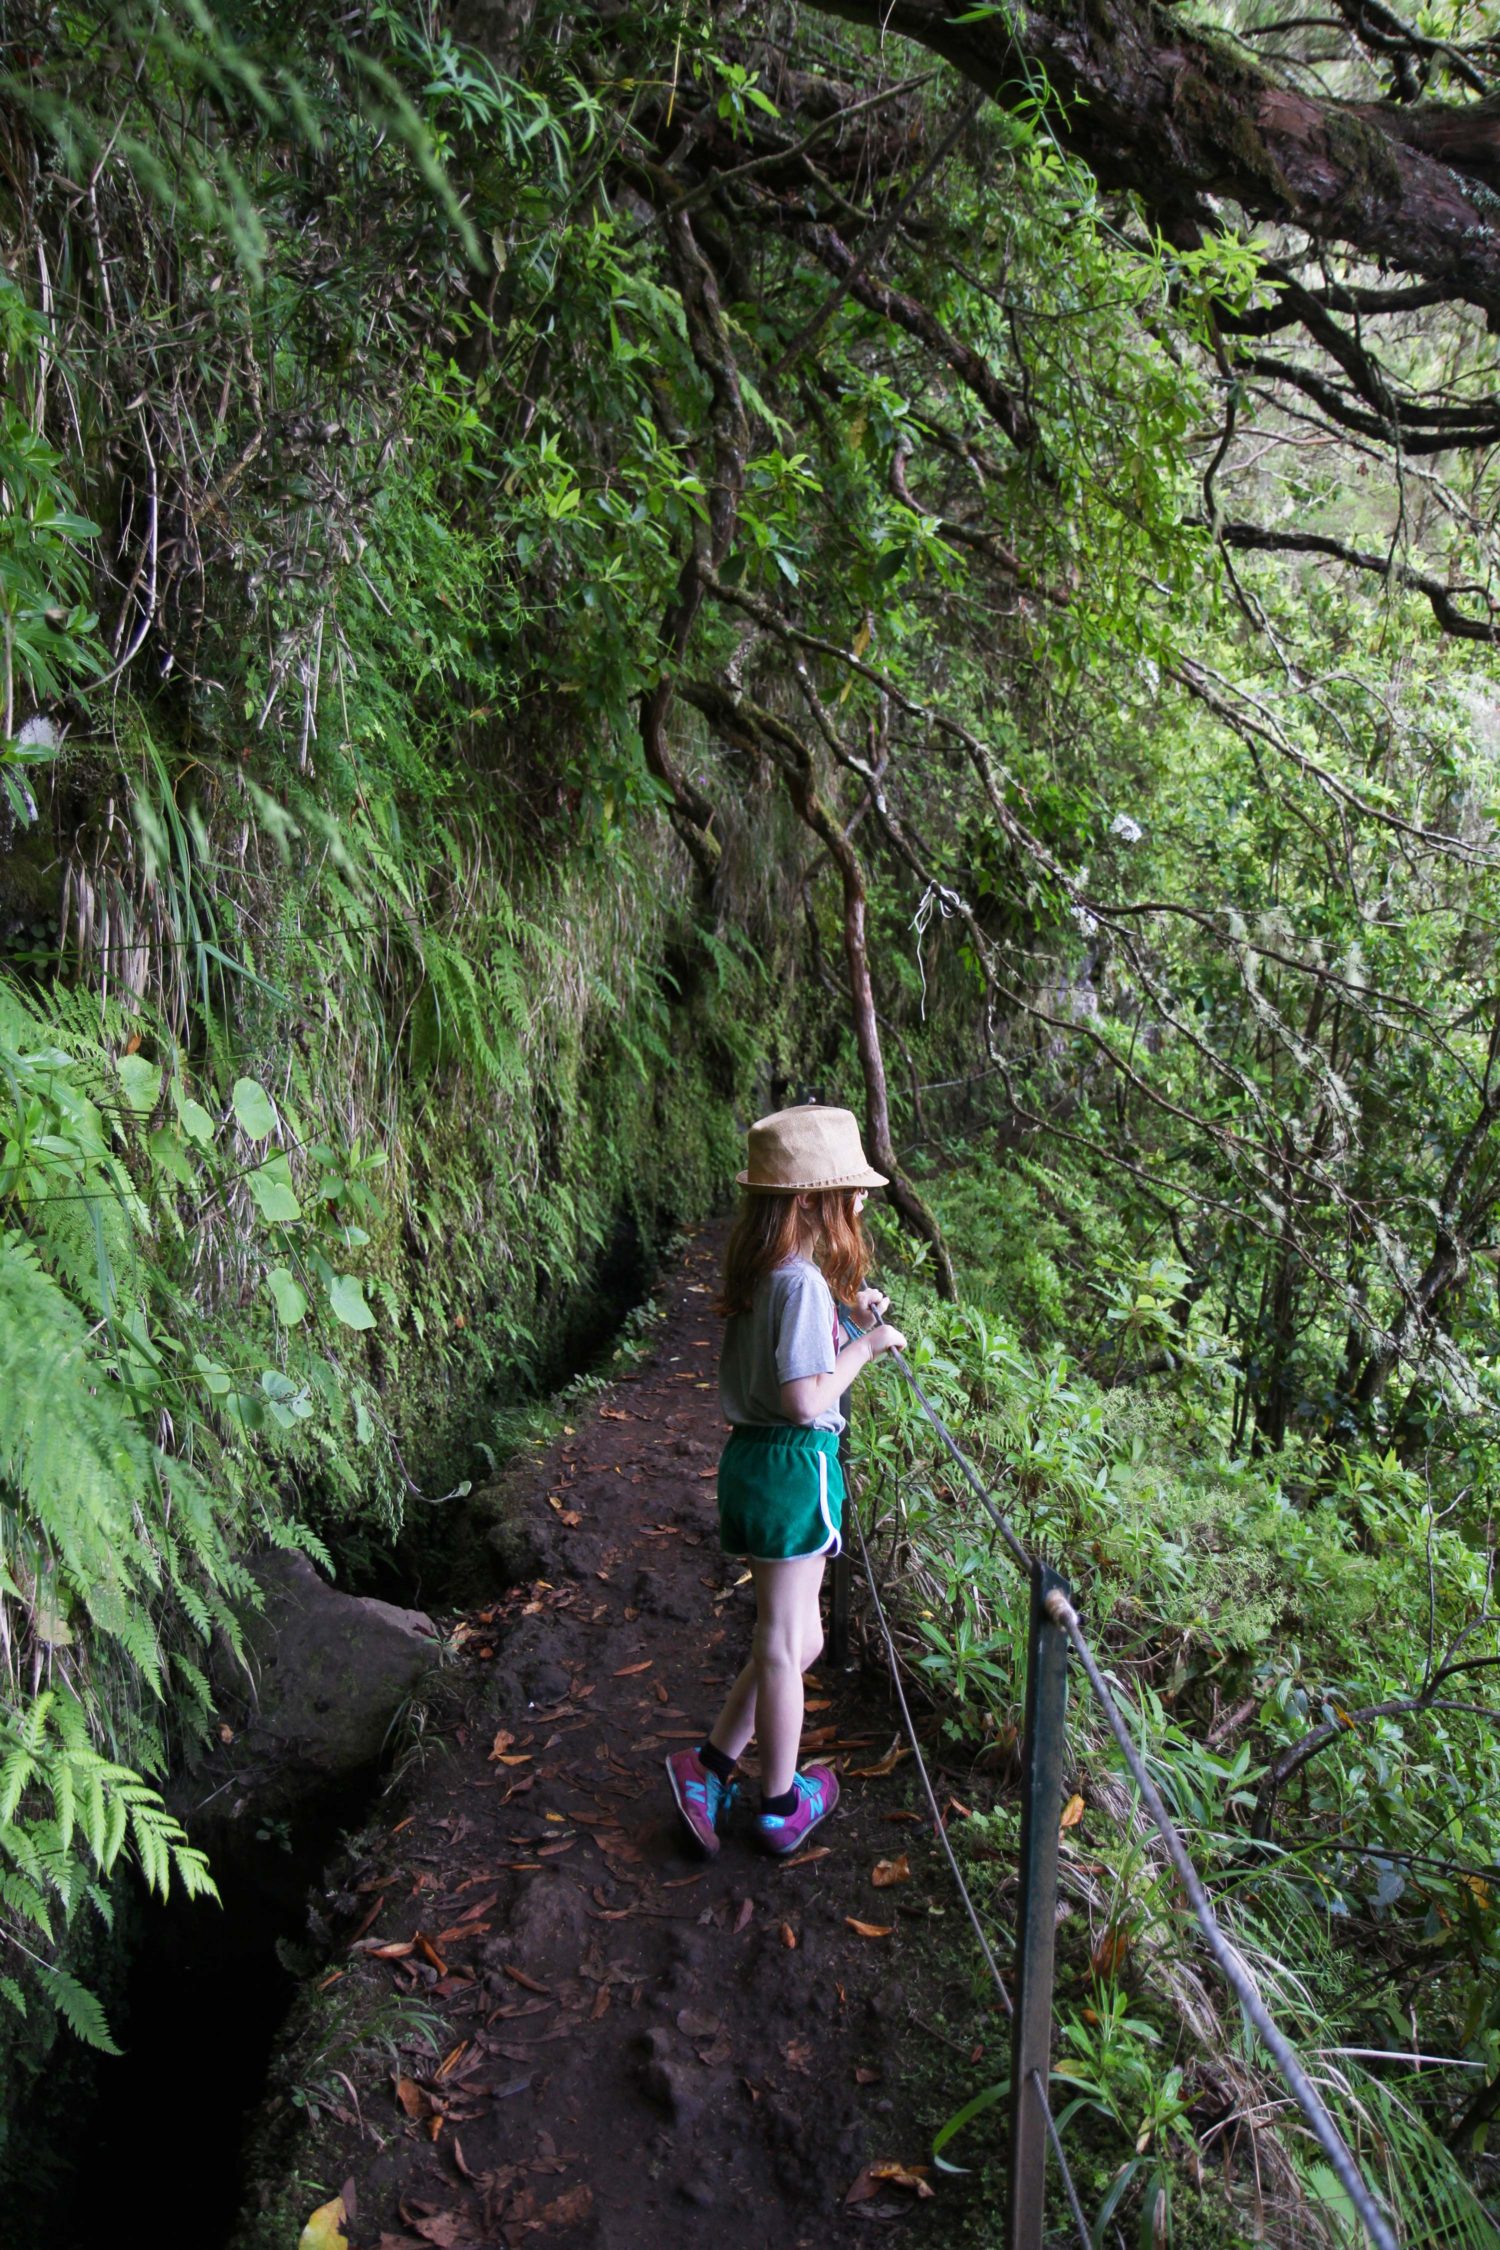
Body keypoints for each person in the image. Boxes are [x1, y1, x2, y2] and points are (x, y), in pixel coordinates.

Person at [665, 1105, 908, 1858]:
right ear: (808, 1200)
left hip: (759, 1462)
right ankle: (777, 1802)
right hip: (789, 1463)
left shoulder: (772, 1273)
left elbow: (792, 1346)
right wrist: (868, 1345)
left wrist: (848, 1310)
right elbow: (807, 1395)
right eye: (849, 1189)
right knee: (781, 1639)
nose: (863, 1201)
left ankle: (706, 1765)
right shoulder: (798, 1284)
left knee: (800, 1640)